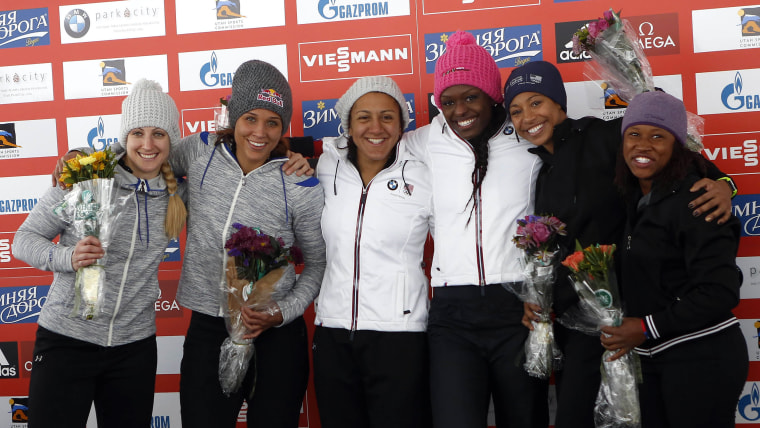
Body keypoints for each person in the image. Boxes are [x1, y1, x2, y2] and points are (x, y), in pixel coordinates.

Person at [503, 60, 735, 428]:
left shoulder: (600, 135)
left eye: (536, 102)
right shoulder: (542, 173)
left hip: (626, 322)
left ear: (559, 104)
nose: (527, 116)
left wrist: (726, 184)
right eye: (516, 110)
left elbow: (677, 152)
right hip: (577, 325)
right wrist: (540, 299)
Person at [13, 79, 187, 428]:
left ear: (172, 140)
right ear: (125, 138)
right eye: (137, 133)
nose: (148, 144)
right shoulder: (86, 174)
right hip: (67, 339)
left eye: (159, 134)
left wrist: (289, 157)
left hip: (133, 348)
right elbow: (23, 239)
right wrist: (67, 257)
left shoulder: (179, 190)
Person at [168, 60, 326, 428]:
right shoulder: (199, 151)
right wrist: (86, 161)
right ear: (233, 118)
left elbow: (317, 265)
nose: (260, 132)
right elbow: (148, 161)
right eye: (250, 119)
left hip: (276, 335)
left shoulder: (300, 184)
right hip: (209, 326)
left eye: (273, 122)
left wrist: (283, 312)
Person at [403, 30, 547, 428]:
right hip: (452, 314)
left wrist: (719, 183)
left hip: (518, 308)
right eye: (447, 101)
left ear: (492, 95)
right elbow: (364, 145)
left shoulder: (527, 137)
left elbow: (605, 147)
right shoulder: (425, 141)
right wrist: (297, 159)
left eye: (471, 97)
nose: (459, 110)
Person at [601, 91, 747, 428]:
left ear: (677, 145)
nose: (643, 145)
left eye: (658, 136)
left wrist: (645, 327)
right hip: (653, 358)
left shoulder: (698, 199)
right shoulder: (637, 198)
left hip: (702, 356)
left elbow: (720, 291)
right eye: (634, 134)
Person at [312, 76, 433, 428]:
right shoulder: (323, 167)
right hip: (333, 331)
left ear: (402, 126)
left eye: (387, 117)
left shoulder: (425, 174)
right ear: (348, 125)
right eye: (364, 117)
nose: (375, 128)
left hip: (401, 335)